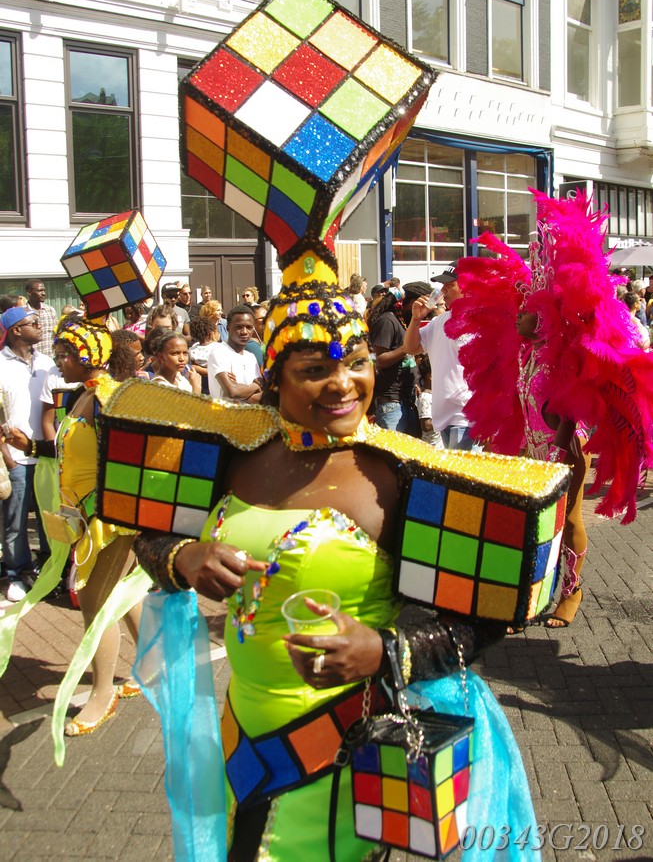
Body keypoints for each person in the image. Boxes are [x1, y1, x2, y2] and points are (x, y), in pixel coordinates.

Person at [127, 255, 544, 862]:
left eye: (356, 361)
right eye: (315, 369)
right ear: (275, 378)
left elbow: (484, 618)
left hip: (345, 750)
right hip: (241, 736)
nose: (344, 384)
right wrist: (183, 557)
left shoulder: (404, 477)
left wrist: (385, 650)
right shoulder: (233, 452)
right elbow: (147, 535)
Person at [446, 191, 653, 627]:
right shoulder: (527, 355)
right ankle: (532, 594)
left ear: (541, 318)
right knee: (532, 522)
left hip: (566, 449)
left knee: (569, 518)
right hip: (533, 450)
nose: (517, 316)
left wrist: (561, 445)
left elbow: (577, 401)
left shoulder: (562, 356)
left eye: (525, 312)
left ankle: (572, 592)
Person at [4, 318, 142, 732]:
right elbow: (72, 452)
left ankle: (102, 694)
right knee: (121, 595)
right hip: (86, 516)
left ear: (89, 357)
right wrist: (30, 445)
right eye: (59, 353)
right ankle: (154, 667)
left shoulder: (107, 398)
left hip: (110, 520)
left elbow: (128, 461)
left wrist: (111, 513)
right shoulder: (82, 394)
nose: (59, 361)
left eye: (65, 355)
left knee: (95, 602)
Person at [0, 307, 53, 600]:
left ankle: (48, 567)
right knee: (15, 521)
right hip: (15, 458)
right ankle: (17, 573)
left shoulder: (46, 362)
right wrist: (8, 458)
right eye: (32, 322)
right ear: (16, 330)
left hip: (45, 454)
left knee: (48, 518)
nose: (39, 325)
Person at [404, 264, 477, 451]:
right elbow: (410, 347)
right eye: (443, 285)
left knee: (461, 471)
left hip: (468, 418)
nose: (443, 290)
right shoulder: (439, 321)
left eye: (449, 285)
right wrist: (416, 319)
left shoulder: (482, 321)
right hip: (444, 418)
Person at [367, 281, 429, 436]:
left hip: (408, 400)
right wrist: (406, 348)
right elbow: (378, 360)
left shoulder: (405, 322)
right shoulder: (388, 321)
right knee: (392, 451)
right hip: (391, 403)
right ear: (414, 303)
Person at [206, 305, 262, 402]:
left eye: (249, 327)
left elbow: (261, 396)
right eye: (239, 327)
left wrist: (240, 388)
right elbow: (232, 391)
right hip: (224, 411)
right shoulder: (219, 352)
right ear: (228, 328)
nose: (244, 332)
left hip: (250, 411)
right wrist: (256, 386)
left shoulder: (251, 357)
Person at [188, 316, 222, 395]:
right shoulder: (218, 348)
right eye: (217, 331)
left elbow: (192, 366)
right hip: (215, 385)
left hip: (199, 382)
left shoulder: (193, 348)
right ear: (212, 333)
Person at [25, 279, 58, 358]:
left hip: (51, 357)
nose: (43, 293)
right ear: (29, 292)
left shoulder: (50, 310)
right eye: (39, 291)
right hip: (32, 358)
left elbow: (57, 333)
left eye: (44, 290)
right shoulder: (23, 312)